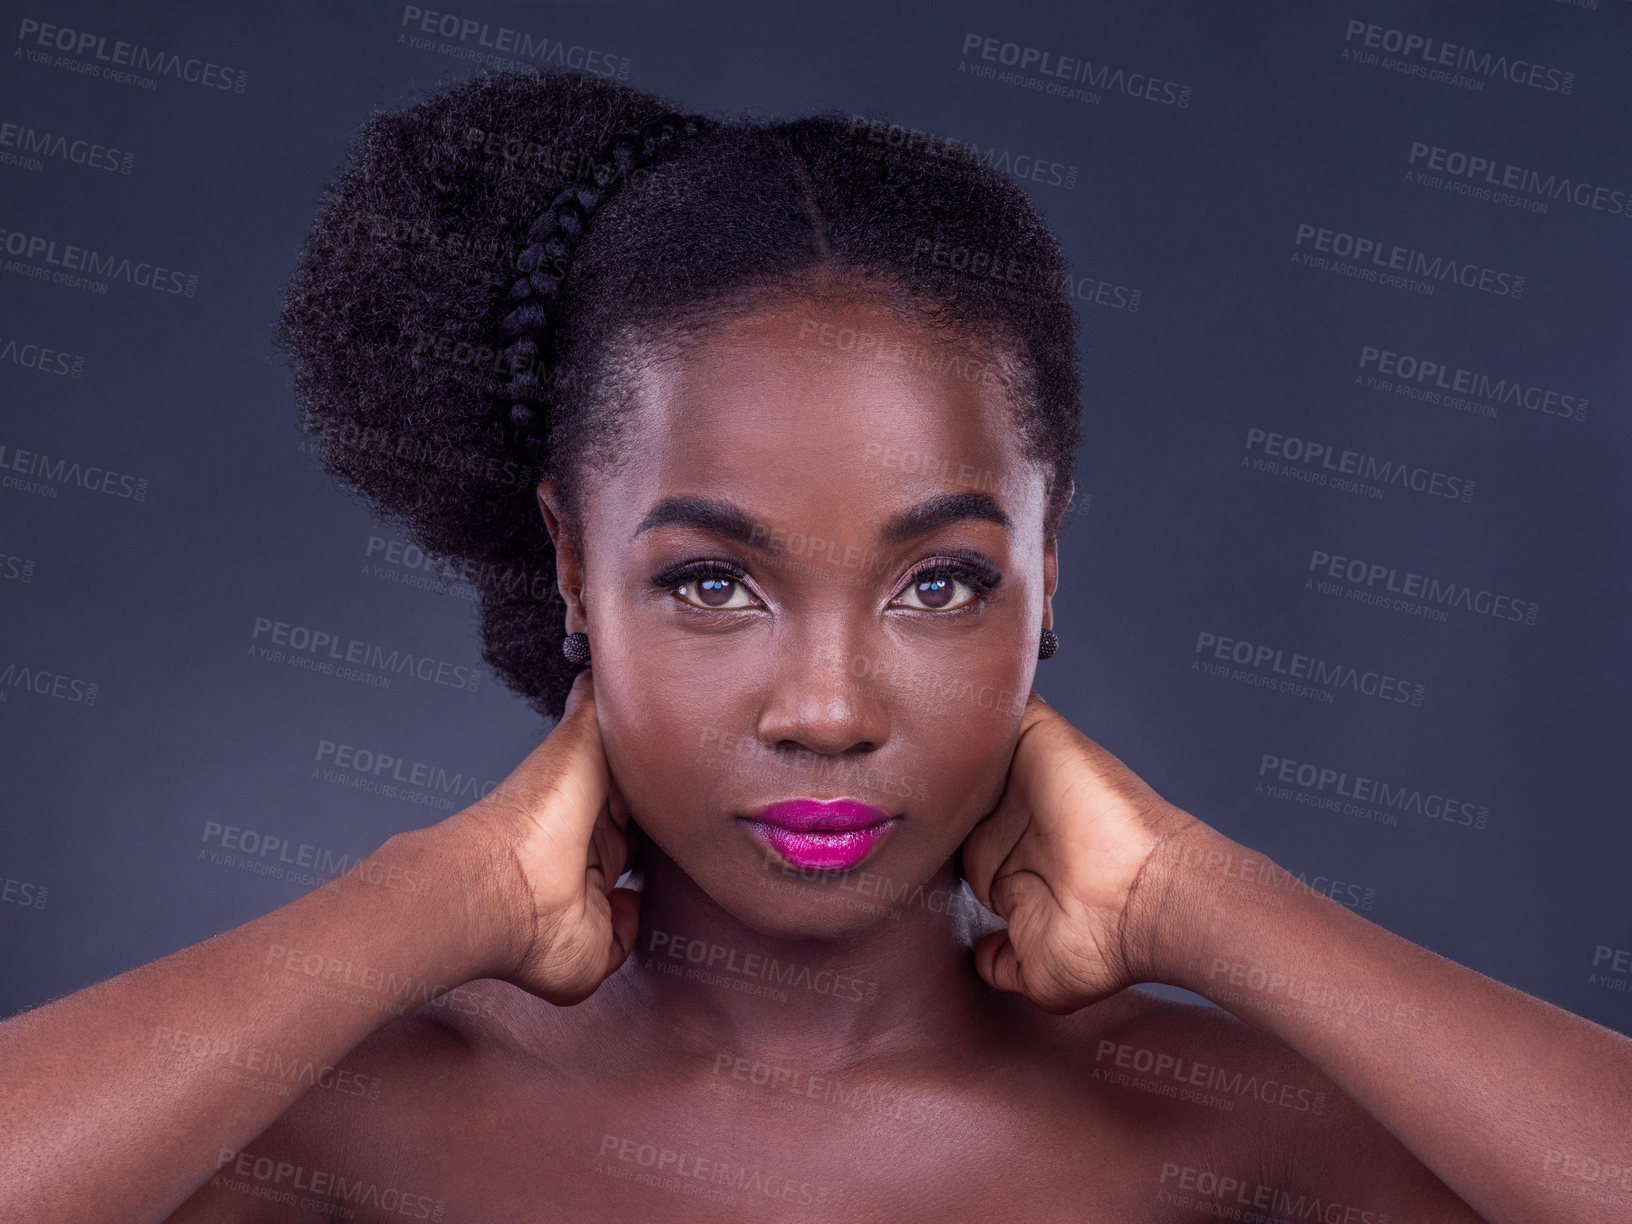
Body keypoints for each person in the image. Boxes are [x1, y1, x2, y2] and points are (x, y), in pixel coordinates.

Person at [1, 67, 1626, 1224]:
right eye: (715, 580)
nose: (829, 708)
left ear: (1050, 572)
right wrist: (440, 896)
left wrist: (1204, 899)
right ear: (573, 564)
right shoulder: (319, 1139)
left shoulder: (1253, 1144)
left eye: (938, 583)